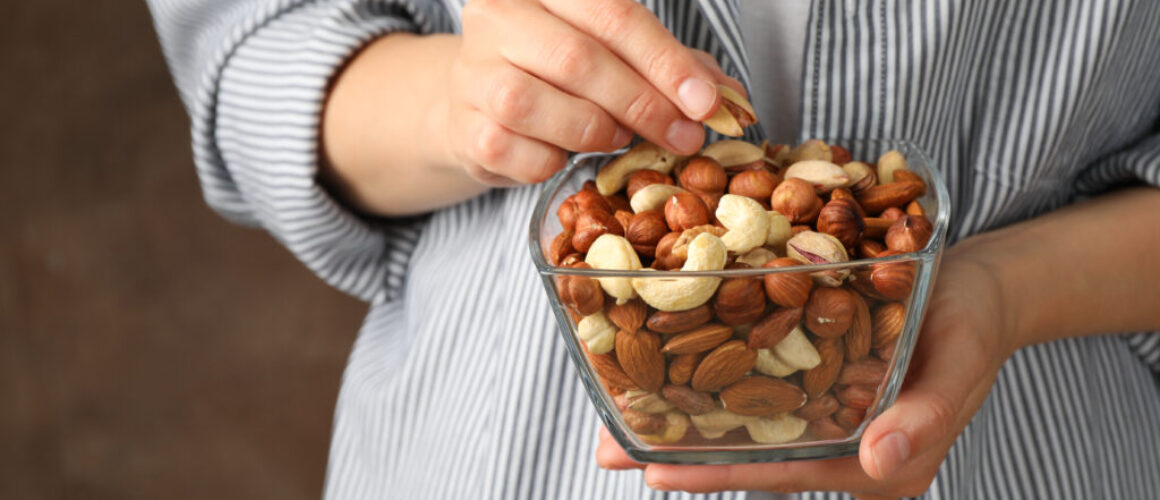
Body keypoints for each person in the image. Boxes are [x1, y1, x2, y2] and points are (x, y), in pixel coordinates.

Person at [146, 0, 1160, 497]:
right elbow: (250, 48)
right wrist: (469, 102)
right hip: (484, 452)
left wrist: (1008, 290)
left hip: (1033, 453)